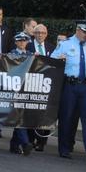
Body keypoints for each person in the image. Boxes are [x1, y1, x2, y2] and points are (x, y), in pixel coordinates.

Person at [51, 20, 86, 160]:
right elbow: (51, 61)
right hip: (70, 85)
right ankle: (64, 148)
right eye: (85, 32)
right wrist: (59, 59)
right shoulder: (65, 44)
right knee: (67, 117)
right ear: (78, 30)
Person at [27, 23, 55, 151]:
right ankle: (30, 139)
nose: (40, 35)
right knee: (32, 113)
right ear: (34, 33)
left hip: (47, 85)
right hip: (31, 83)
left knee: (46, 114)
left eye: (43, 33)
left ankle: (42, 142)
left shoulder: (51, 47)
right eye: (38, 33)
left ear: (46, 34)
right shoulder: (28, 45)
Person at [8, 32, 34, 155]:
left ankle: (14, 144)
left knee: (21, 116)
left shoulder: (31, 55)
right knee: (18, 116)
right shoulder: (11, 55)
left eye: (24, 41)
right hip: (14, 88)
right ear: (16, 42)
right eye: (20, 41)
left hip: (26, 88)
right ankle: (25, 142)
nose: (22, 43)